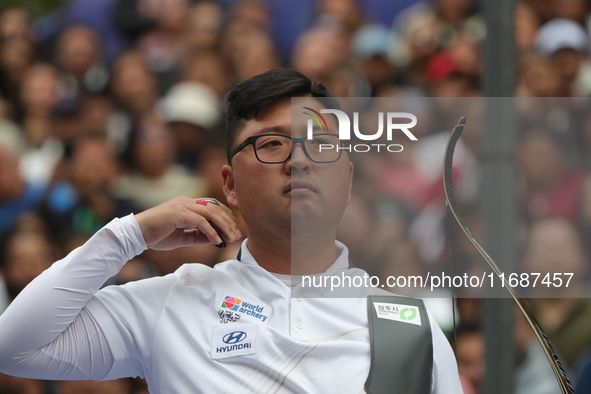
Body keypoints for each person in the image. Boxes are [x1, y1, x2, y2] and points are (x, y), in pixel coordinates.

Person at [0, 68, 461, 393]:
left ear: (348, 178)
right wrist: (128, 235)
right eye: (272, 143)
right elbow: (14, 349)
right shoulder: (171, 302)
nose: (298, 160)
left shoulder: (408, 326)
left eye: (320, 145)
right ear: (230, 185)